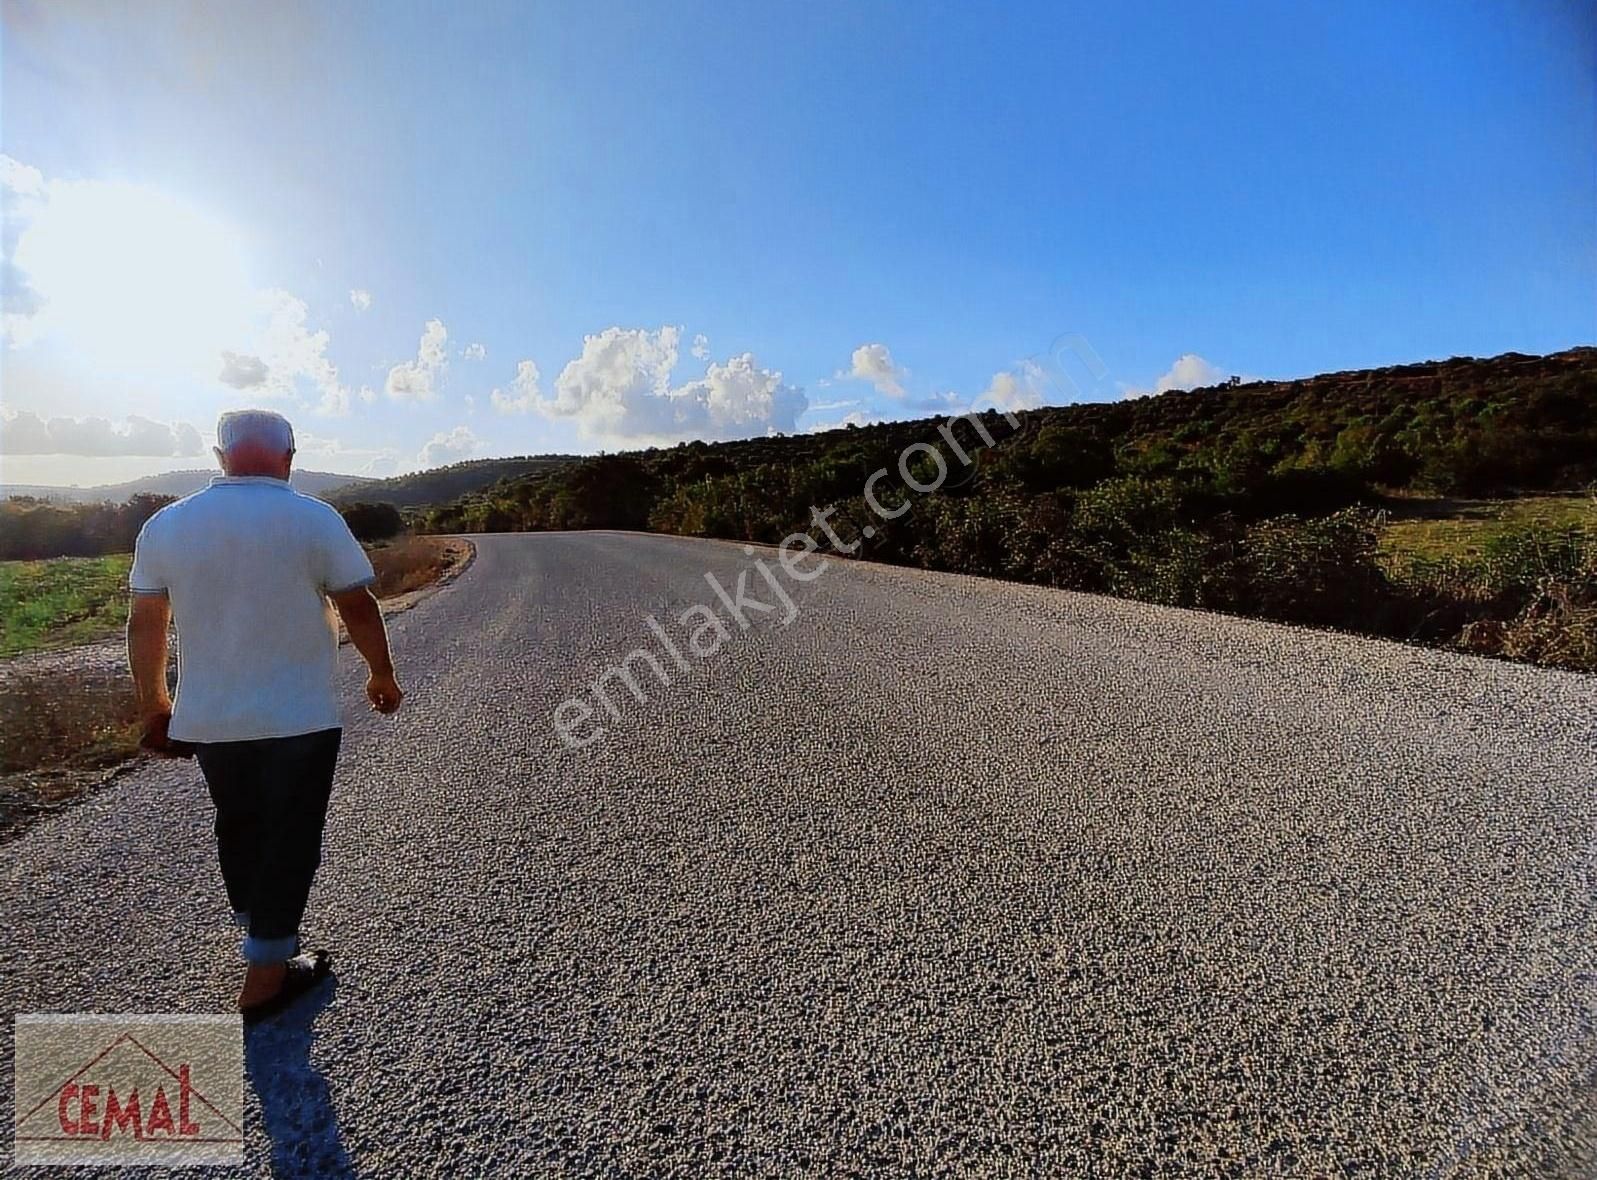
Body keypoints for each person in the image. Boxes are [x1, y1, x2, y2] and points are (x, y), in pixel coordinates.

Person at [126, 409, 404, 1024]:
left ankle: (262, 933)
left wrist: (154, 703)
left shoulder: (167, 526)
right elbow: (357, 604)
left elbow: (148, 621)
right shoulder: (314, 518)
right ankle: (267, 976)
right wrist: (380, 673)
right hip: (298, 714)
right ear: (290, 456)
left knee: (240, 823)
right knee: (292, 834)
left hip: (211, 718)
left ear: (221, 457)